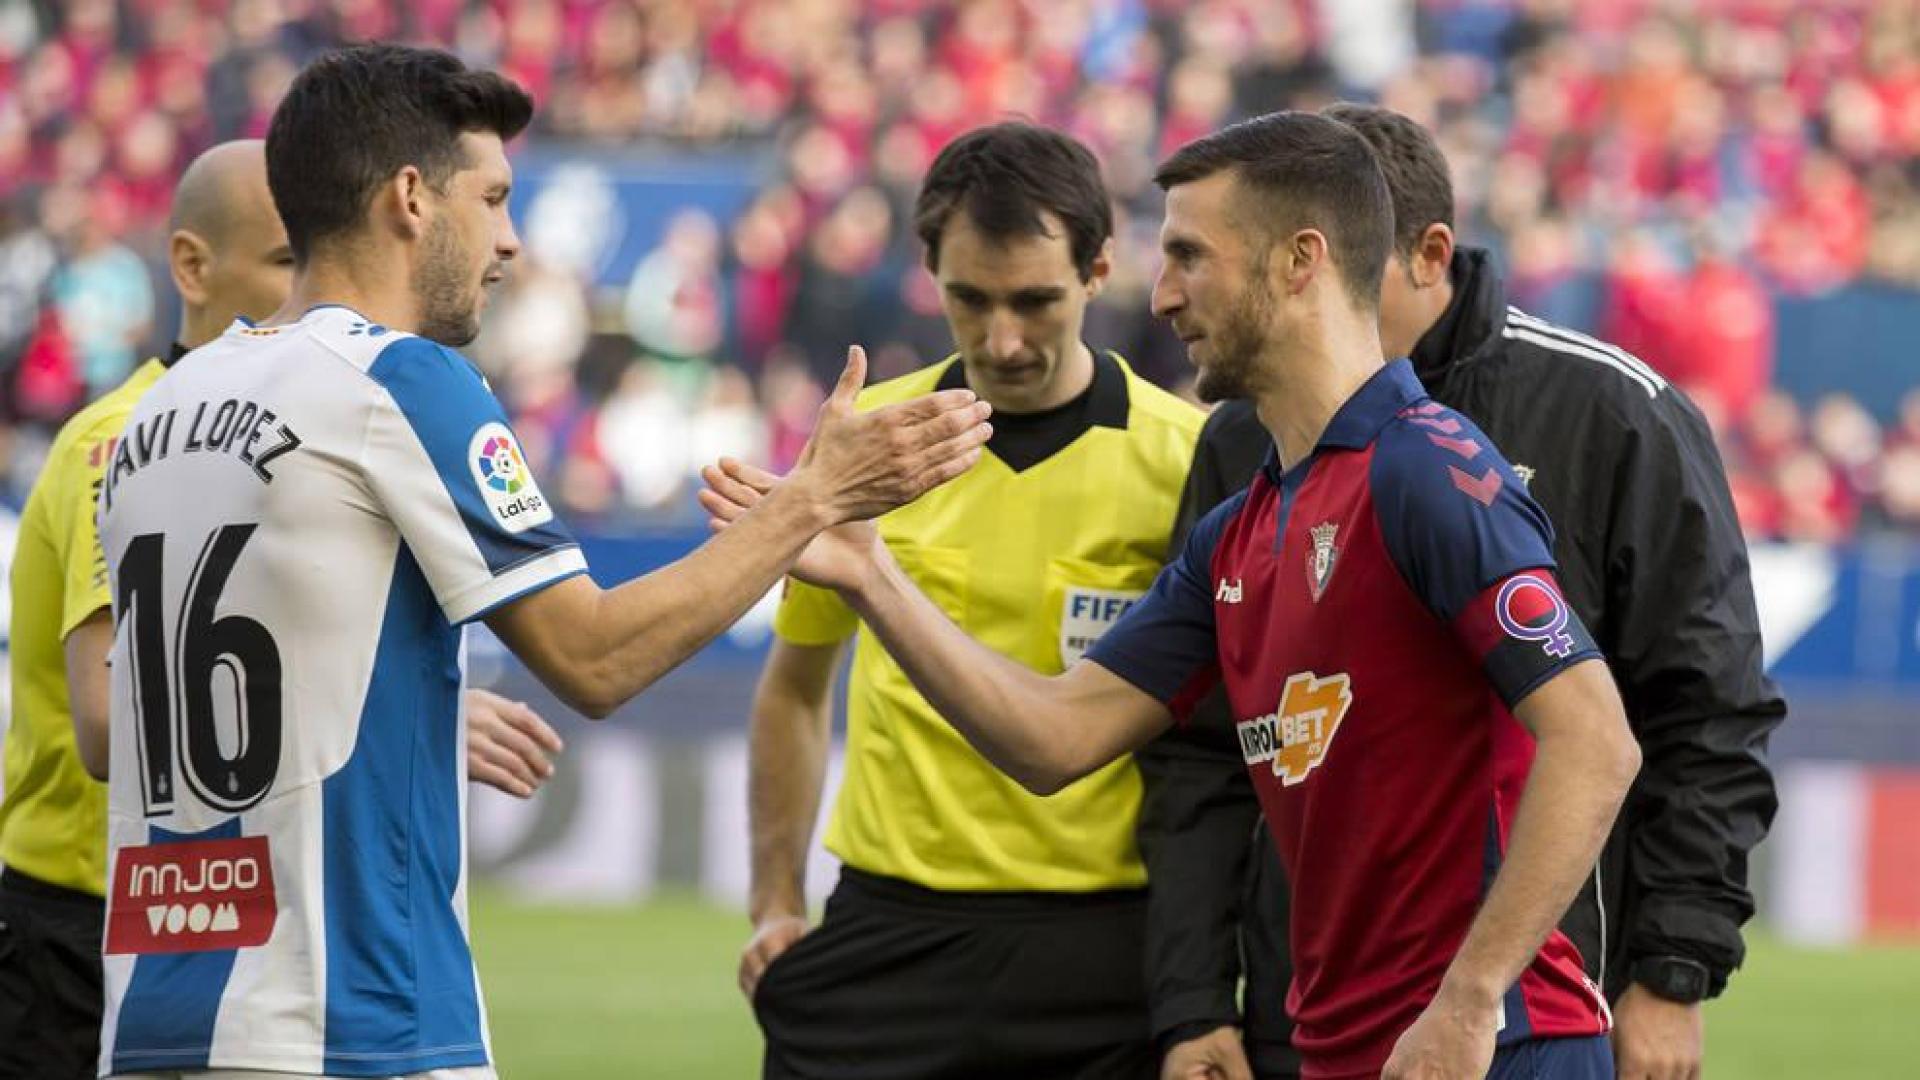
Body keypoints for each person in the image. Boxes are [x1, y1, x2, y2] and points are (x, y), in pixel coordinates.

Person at [94, 45, 989, 1079]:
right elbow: (595, 658)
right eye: (497, 198)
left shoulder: (161, 410)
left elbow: (167, 697)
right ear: (412, 198)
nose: (512, 241)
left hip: (153, 1014)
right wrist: (812, 500)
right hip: (352, 1024)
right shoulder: (403, 381)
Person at [702, 110, 1641, 1080]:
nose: (1159, 294)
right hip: (1347, 1047)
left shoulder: (1427, 470)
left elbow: (1597, 740)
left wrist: (1473, 994)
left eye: (1190, 255)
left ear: (1298, 261)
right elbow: (1053, 739)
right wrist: (871, 575)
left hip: (1495, 1047)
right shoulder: (1240, 528)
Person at [1143, 104, 1786, 1080]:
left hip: (1528, 1010)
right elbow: (1200, 753)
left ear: (1424, 255)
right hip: (1305, 1017)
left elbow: (1707, 712)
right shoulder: (1244, 439)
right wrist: (1193, 999)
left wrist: (1673, 971)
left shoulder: (1613, 413)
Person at [0, 140, 566, 1080]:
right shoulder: (119, 438)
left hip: (194, 925)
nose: (307, 290)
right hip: (75, 914)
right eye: (281, 263)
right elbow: (112, 725)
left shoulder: (297, 414)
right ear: (191, 265)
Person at [742, 122, 1203, 1080]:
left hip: (1110, 945)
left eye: (1035, 301)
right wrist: (776, 902)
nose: (1003, 339)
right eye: (970, 299)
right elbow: (792, 688)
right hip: (890, 927)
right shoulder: (862, 446)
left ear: (1100, 268)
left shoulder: (1190, 458)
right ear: (930, 275)